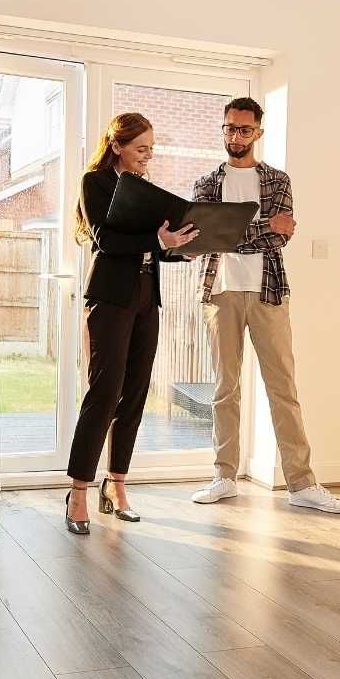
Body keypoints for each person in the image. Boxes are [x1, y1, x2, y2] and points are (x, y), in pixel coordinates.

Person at [190, 97, 340, 515]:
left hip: (268, 292)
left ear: (258, 132)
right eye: (229, 128)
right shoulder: (207, 182)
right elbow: (208, 237)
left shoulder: (278, 180)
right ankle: (224, 476)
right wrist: (258, 226)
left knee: (283, 388)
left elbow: (281, 237)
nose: (235, 136)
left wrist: (232, 229)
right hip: (220, 292)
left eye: (244, 129)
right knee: (225, 390)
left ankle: (301, 483)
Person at [65, 113, 199, 534]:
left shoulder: (143, 190)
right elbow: (106, 239)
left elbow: (153, 243)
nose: (148, 156)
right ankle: (79, 491)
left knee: (136, 393)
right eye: (141, 149)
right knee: (104, 393)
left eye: (151, 150)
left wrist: (180, 248)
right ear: (118, 145)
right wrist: (159, 241)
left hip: (146, 298)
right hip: (109, 298)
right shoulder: (96, 182)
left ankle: (117, 486)